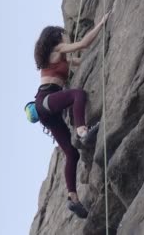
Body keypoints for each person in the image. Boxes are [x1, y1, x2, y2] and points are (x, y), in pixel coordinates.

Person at [33, 12, 109, 218]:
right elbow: (83, 44)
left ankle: (72, 197)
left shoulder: (61, 58)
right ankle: (82, 131)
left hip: (48, 112)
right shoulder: (57, 49)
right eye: (64, 34)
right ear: (57, 37)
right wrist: (101, 23)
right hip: (46, 100)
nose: (67, 37)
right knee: (77, 94)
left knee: (72, 154)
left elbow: (81, 59)